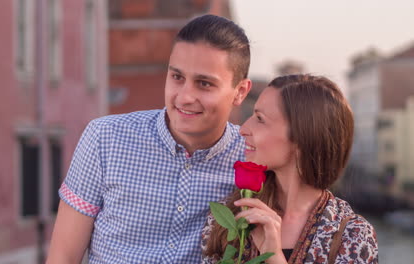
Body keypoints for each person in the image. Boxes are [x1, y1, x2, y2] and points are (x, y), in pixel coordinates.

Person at [46, 14, 252, 264]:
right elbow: (63, 256)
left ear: (240, 92)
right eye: (177, 77)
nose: (185, 96)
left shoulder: (251, 157)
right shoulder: (105, 138)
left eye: (204, 84)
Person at [202, 74, 378, 264]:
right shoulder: (226, 217)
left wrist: (274, 256)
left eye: (260, 119)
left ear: (302, 137)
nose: (243, 128)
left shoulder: (352, 236)